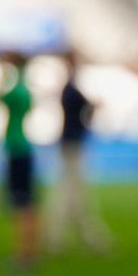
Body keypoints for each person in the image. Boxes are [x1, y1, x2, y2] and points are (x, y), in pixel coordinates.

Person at [46, 52, 112, 255]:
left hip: (71, 144)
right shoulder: (71, 89)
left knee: (74, 193)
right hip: (73, 145)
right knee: (71, 193)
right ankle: (69, 237)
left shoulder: (69, 88)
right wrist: (94, 105)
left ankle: (79, 237)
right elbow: (85, 111)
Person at [0, 53, 40, 270]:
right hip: (24, 147)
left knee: (21, 205)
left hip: (16, 149)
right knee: (29, 204)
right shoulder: (26, 90)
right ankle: (30, 252)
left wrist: (3, 77)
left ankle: (24, 255)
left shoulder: (15, 92)